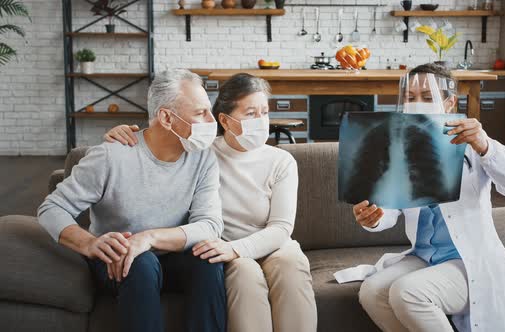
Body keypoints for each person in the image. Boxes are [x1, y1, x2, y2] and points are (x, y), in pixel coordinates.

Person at [104, 73, 317, 332]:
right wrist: (122, 133)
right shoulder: (201, 155)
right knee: (245, 277)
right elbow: (160, 139)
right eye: (251, 113)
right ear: (225, 120)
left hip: (274, 246)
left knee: (292, 267)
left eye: (264, 112)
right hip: (224, 250)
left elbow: (281, 229)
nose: (261, 121)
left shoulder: (282, 162)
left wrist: (238, 248)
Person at [337, 63, 505, 332]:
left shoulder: (472, 145)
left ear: (450, 102)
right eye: (410, 97)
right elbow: (389, 212)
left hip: (469, 262)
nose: (417, 104)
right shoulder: (397, 151)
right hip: (425, 256)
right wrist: (372, 218)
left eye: (428, 98)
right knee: (372, 291)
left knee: (407, 292)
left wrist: (485, 145)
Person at [38, 69, 227, 332]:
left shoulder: (203, 158)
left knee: (207, 260)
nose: (211, 120)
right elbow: (51, 208)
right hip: (122, 262)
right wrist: (90, 243)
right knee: (138, 259)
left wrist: (148, 238)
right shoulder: (111, 156)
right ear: (166, 117)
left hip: (172, 255)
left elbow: (209, 224)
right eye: (200, 112)